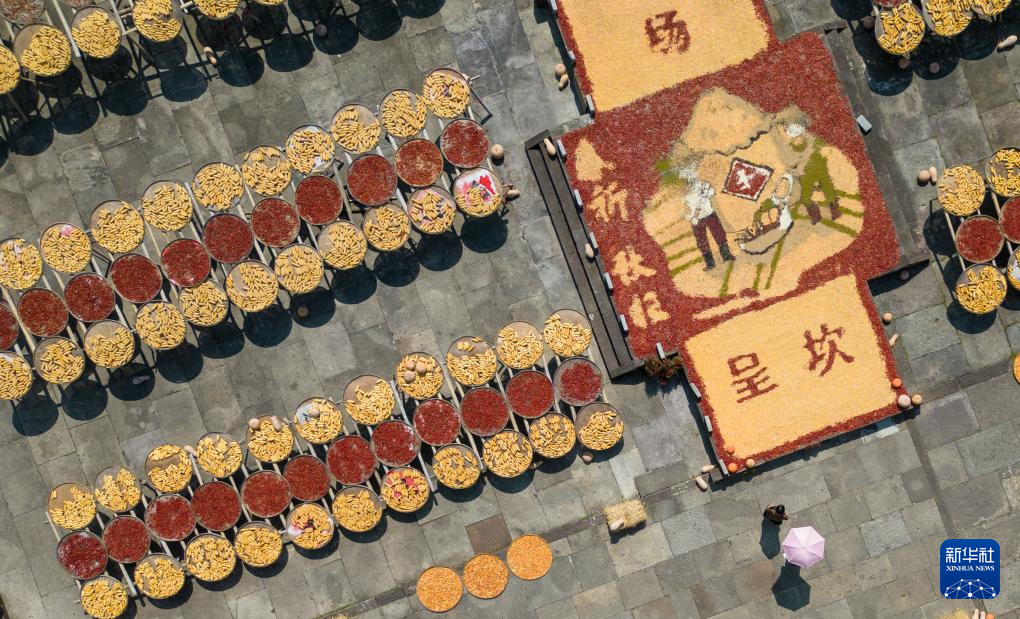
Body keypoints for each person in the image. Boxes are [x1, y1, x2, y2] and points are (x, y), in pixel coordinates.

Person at [684, 179, 735, 271]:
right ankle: (710, 263)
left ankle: (727, 256)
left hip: (709, 215)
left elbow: (713, 192)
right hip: (697, 221)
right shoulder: (686, 195)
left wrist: (707, 191)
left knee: (719, 235)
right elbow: (686, 210)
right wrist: (691, 218)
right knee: (701, 242)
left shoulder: (702, 186)